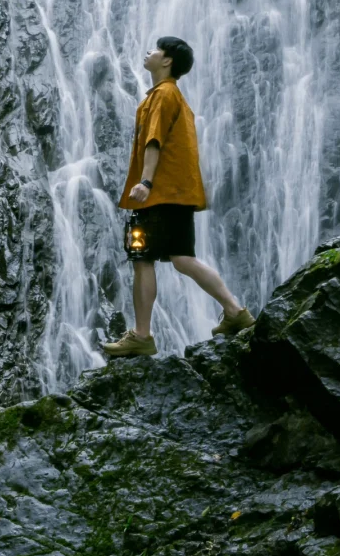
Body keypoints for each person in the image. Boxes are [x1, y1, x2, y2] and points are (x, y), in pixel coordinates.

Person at [102, 35, 255, 358]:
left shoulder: (162, 94)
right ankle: (234, 311)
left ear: (167, 60)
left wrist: (145, 181)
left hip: (159, 194)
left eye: (155, 49)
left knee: (142, 258)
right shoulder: (174, 97)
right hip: (179, 194)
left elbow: (153, 141)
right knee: (183, 258)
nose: (149, 52)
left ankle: (142, 335)